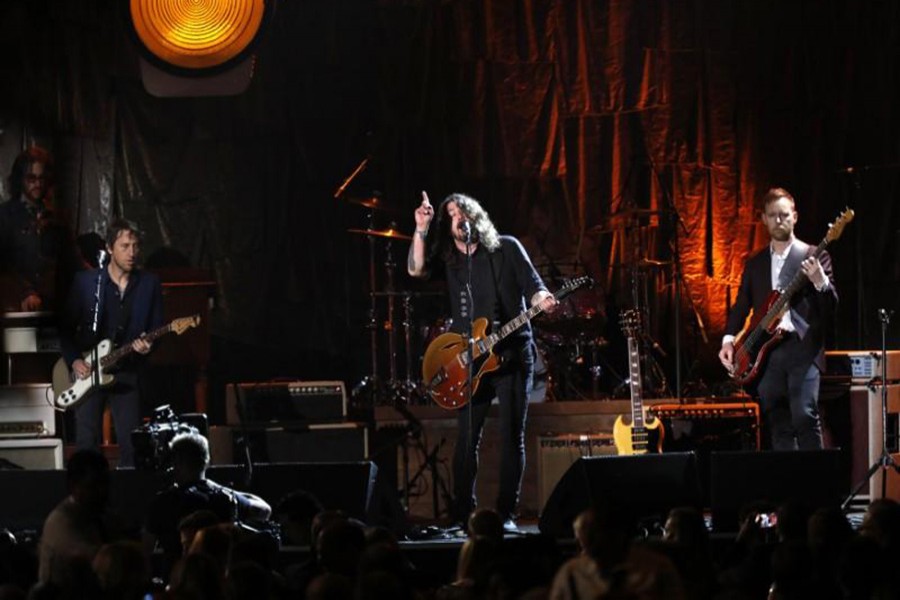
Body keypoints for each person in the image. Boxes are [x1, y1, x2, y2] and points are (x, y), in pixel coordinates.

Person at [407, 191, 557, 531]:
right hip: (470, 360)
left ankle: (506, 515)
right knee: (466, 439)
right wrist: (420, 228)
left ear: (477, 215)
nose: (459, 217)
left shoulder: (506, 247)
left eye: (464, 210)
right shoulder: (449, 257)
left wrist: (542, 298)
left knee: (511, 437)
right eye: (452, 214)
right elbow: (416, 270)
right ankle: (464, 515)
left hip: (513, 353)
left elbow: (534, 286)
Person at [718, 188, 837, 450]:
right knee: (777, 423)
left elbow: (831, 307)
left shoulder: (813, 255)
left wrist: (820, 281)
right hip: (766, 353)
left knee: (805, 417)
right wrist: (728, 341)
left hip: (802, 349)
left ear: (795, 216)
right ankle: (788, 488)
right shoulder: (755, 264)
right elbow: (741, 307)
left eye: (784, 215)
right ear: (763, 219)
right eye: (773, 215)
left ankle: (816, 490)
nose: (779, 220)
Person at [59, 218, 164, 467]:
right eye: (125, 246)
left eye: (135, 246)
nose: (132, 253)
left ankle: (127, 499)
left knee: (132, 446)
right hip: (88, 374)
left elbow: (158, 327)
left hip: (127, 373)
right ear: (109, 248)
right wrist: (74, 360)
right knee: (87, 442)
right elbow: (65, 328)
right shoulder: (86, 283)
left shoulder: (149, 284)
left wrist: (148, 346)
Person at [144, 431, 272, 575]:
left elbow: (145, 550)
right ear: (206, 461)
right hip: (218, 582)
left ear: (176, 462)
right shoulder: (226, 497)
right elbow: (264, 510)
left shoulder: (163, 503)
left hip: (178, 584)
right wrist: (222, 488)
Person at [0, 146, 83, 312]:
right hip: (15, 309)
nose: (37, 184)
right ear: (20, 179)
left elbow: (73, 261)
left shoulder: (56, 218)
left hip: (51, 310)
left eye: (41, 178)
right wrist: (24, 291)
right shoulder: (5, 216)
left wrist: (104, 276)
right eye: (31, 179)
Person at [38, 449, 117, 586]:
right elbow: (102, 563)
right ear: (74, 486)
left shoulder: (101, 516)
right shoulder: (60, 522)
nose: (102, 491)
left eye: (105, 484)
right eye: (94, 485)